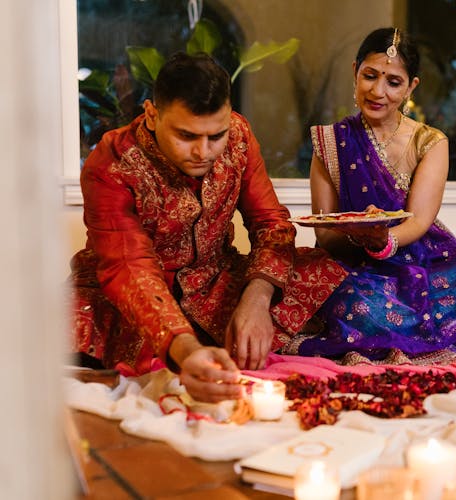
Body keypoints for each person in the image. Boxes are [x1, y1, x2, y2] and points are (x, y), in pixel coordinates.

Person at [69, 52, 347, 402]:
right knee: (61, 326)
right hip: (130, 292)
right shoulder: (112, 162)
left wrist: (257, 300)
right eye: (186, 136)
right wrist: (183, 349)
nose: (203, 151)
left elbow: (270, 224)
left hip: (214, 282)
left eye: (216, 135)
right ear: (152, 115)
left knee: (324, 272)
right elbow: (128, 266)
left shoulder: (240, 135)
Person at [282, 28, 456, 364]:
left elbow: (418, 220)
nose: (378, 91)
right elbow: (326, 235)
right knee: (346, 299)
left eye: (393, 82)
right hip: (357, 272)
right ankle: (443, 323)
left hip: (424, 262)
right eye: (369, 76)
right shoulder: (330, 142)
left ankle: (404, 323)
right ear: (355, 70)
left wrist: (382, 241)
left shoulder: (430, 142)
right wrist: (361, 239)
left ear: (411, 87)